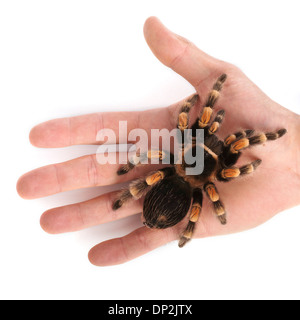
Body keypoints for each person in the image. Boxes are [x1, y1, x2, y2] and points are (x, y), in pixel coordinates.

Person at [16, 17, 300, 266]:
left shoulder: (177, 156)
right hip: (180, 188)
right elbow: (232, 169)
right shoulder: (211, 176)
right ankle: (174, 224)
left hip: (174, 183)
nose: (214, 137)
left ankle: (136, 200)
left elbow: (178, 130)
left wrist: (280, 144)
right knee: (194, 193)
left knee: (155, 168)